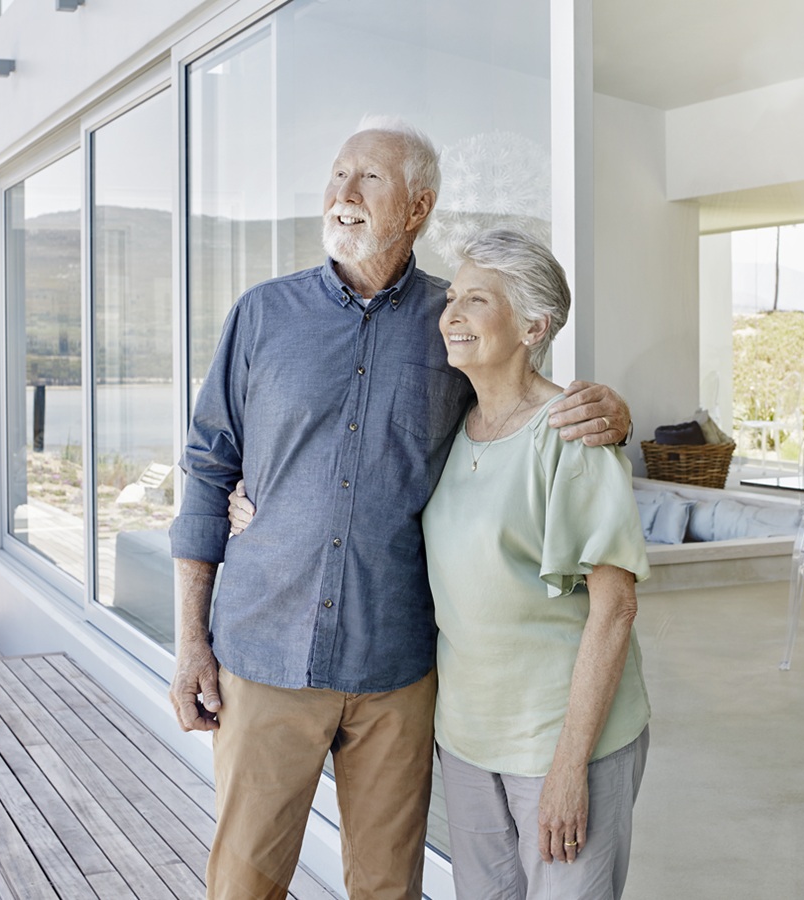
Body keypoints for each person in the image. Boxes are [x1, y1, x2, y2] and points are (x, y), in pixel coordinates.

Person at [168, 118, 632, 900]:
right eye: (338, 174)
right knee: (242, 885)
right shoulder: (261, 316)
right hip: (266, 653)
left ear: (418, 208)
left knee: (388, 887)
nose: (343, 194)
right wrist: (190, 645)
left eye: (369, 179)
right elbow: (209, 471)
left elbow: (527, 404)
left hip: (398, 667)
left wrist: (612, 409)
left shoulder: (455, 323)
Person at [426, 228, 649, 898]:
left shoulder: (573, 433)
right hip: (468, 740)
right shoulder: (451, 425)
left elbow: (615, 607)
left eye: (477, 300)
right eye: (452, 297)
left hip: (561, 741)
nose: (453, 315)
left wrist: (567, 768)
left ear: (533, 326)